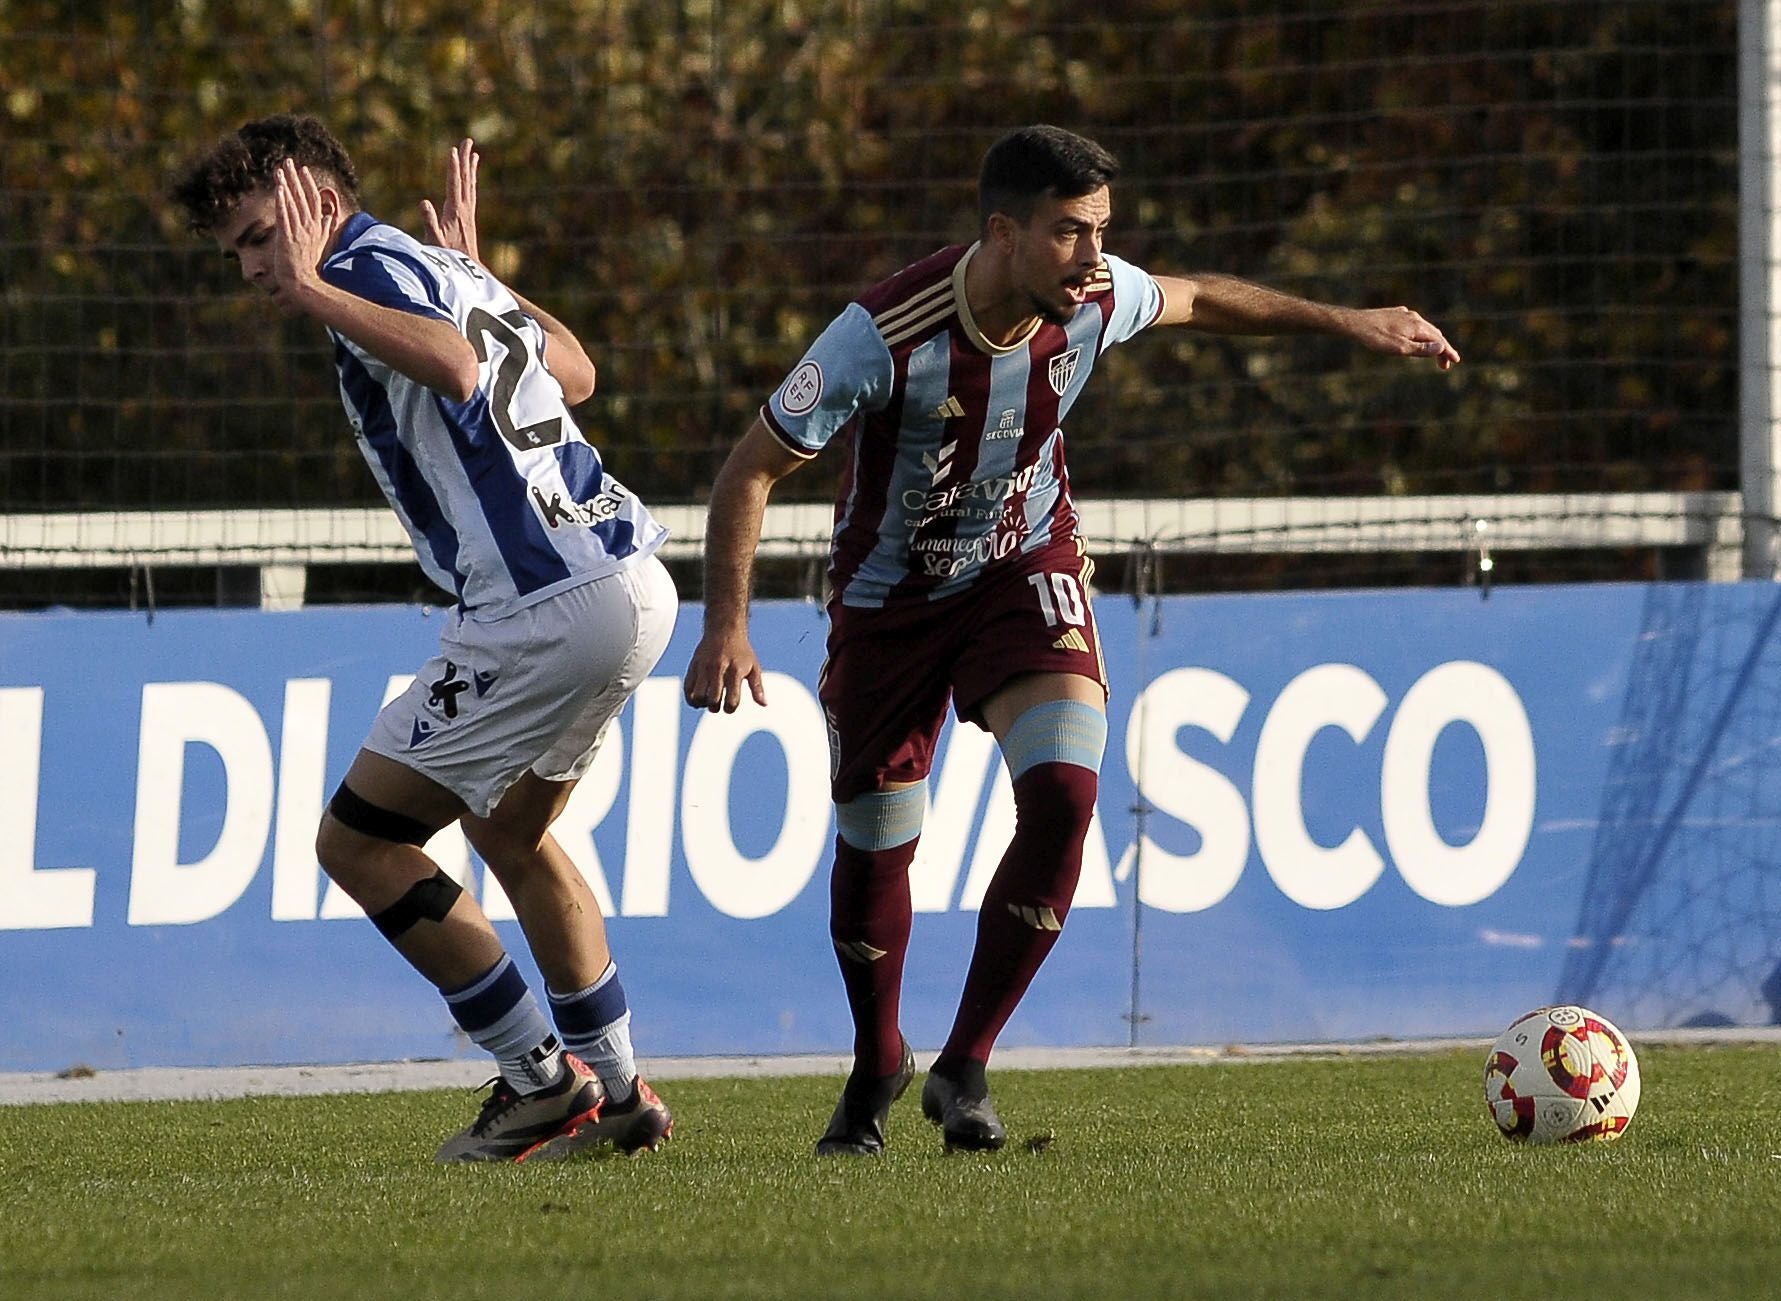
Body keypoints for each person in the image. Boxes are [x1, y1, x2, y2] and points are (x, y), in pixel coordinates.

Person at [682, 124, 1460, 1156]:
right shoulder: (882, 333)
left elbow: (1201, 296)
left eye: (1100, 231)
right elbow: (749, 469)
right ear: (1001, 232)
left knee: (1064, 791)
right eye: (1067, 233)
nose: (1093, 257)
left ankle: (963, 1066)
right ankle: (877, 1062)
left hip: (1021, 567)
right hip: (889, 604)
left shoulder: (1092, 296)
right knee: (875, 844)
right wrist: (724, 625)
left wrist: (1347, 320)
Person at [171, 116, 676, 1162]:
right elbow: (574, 373)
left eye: (264, 233)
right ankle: (623, 1091)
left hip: (541, 606)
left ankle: (540, 1078)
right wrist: (482, 275)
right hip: (626, 580)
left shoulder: (356, 271)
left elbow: (452, 369)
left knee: (356, 841)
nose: (258, 265)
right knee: (510, 833)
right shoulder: (430, 264)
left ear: (316, 198)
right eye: (241, 251)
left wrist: (317, 287)